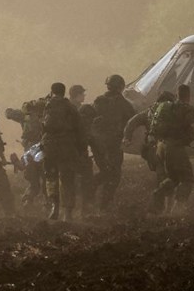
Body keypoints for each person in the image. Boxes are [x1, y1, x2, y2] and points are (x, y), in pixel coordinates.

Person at [149, 84, 194, 214]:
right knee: (187, 179)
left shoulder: (164, 107)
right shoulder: (187, 108)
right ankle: (178, 209)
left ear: (177, 94)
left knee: (174, 178)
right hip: (175, 147)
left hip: (161, 146)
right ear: (188, 96)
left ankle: (159, 192)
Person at [90, 74, 137, 213]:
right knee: (114, 174)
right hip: (113, 144)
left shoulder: (98, 101)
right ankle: (104, 203)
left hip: (98, 144)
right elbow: (132, 120)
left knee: (106, 171)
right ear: (121, 87)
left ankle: (91, 192)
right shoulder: (123, 103)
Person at [41, 82, 84, 221]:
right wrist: (82, 149)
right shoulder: (70, 107)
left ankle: (54, 206)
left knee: (51, 177)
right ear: (64, 92)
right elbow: (79, 129)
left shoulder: (46, 105)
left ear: (52, 91)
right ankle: (67, 213)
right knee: (67, 179)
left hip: (49, 147)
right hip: (66, 146)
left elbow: (41, 126)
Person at [123, 90, 177, 186]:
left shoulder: (149, 112)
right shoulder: (173, 111)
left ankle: (162, 192)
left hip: (153, 147)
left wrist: (127, 137)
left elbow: (131, 123)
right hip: (170, 146)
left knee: (161, 171)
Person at [5, 97, 47, 207]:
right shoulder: (46, 117)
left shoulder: (25, 117)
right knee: (46, 181)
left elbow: (8, 113)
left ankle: (27, 201)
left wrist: (24, 109)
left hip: (29, 151)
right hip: (43, 151)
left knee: (33, 184)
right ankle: (47, 205)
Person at [69, 84, 100, 217]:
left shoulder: (64, 109)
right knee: (87, 179)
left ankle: (67, 212)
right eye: (82, 93)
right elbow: (85, 134)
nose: (84, 96)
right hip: (78, 151)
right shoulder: (79, 111)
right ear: (77, 95)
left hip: (65, 150)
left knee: (67, 181)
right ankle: (86, 209)